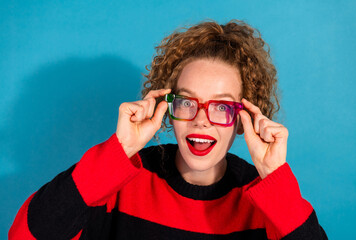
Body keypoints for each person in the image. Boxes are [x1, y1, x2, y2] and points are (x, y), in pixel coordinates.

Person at [9, 20, 327, 239]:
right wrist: (117, 152)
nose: (201, 120)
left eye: (221, 106)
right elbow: (25, 235)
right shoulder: (119, 180)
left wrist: (275, 177)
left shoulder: (265, 200)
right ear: (167, 108)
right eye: (187, 102)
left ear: (243, 118)